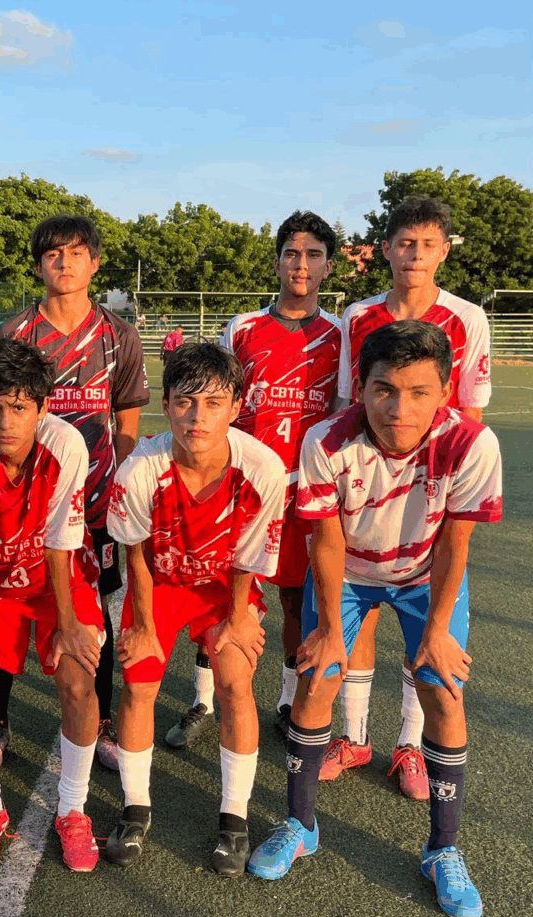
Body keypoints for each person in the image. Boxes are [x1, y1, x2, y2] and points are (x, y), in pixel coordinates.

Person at [247, 321, 502, 917]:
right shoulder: (326, 439)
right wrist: (331, 630)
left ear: (445, 391)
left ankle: (443, 849)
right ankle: (300, 825)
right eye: (384, 389)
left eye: (419, 392)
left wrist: (436, 633)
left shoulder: (472, 443)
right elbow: (326, 541)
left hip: (425, 573)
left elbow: (455, 544)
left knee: (443, 687)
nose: (399, 408)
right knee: (318, 676)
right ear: (360, 387)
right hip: (351, 570)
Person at [325, 196, 492, 800]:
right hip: (368, 484)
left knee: (423, 616)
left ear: (443, 251)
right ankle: (354, 736)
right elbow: (349, 403)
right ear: (387, 249)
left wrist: (449, 491)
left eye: (427, 245)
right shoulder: (358, 315)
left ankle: (410, 745)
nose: (415, 255)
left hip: (432, 488)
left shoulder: (468, 317)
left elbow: (470, 412)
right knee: (363, 606)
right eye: (404, 243)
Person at [106, 342, 286, 874]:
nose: (197, 417)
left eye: (213, 403)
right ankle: (135, 807)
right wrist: (142, 625)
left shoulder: (263, 468)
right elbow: (136, 553)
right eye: (185, 402)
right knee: (139, 681)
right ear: (166, 404)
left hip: (223, 586)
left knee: (235, 680)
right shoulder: (140, 469)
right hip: (161, 582)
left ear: (237, 407)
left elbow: (251, 555)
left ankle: (235, 817)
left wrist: (237, 618)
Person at [168, 212, 340, 751]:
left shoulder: (340, 335)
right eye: (292, 253)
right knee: (220, 595)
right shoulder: (243, 328)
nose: (301, 265)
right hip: (239, 486)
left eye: (313, 255)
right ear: (278, 261)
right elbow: (215, 397)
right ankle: (203, 699)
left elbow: (340, 416)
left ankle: (286, 702)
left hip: (303, 490)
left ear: (328, 266)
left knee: (294, 600)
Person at [0, 338, 105, 872]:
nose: (5, 422)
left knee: (78, 676)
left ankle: (73, 810)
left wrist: (70, 627)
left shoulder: (66, 445)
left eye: (19, 407)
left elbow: (61, 545)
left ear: (43, 407)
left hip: (58, 579)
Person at [0, 214, 149, 771]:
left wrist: (107, 477)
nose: (64, 263)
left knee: (97, 609)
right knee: (10, 601)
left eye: (76, 253)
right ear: (39, 265)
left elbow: (127, 419)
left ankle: (100, 721)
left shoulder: (117, 335)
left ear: (95, 263)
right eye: (53, 254)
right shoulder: (16, 333)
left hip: (95, 505)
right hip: (24, 502)